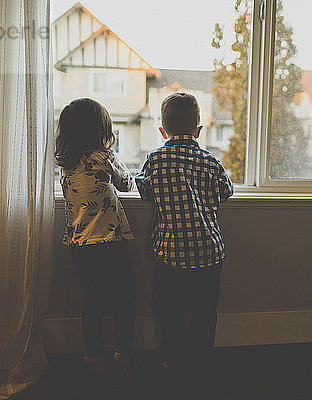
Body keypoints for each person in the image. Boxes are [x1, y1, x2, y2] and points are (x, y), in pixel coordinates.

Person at [135, 92, 234, 370]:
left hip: (171, 254)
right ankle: (201, 358)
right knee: (204, 312)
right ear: (198, 131)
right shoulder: (211, 161)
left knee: (170, 310)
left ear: (162, 131)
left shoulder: (156, 159)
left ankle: (173, 358)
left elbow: (144, 190)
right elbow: (226, 191)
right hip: (209, 252)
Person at [54, 98, 135, 376]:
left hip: (80, 245)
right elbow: (126, 184)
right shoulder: (104, 158)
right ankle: (123, 351)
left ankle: (92, 354)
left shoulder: (67, 165)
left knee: (93, 300)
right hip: (109, 241)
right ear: (101, 130)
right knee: (125, 298)